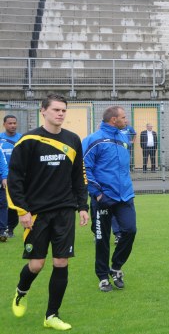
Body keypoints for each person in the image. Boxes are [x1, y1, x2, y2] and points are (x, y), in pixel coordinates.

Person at [7, 94, 89, 331]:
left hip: (64, 210)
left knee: (61, 262)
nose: (61, 114)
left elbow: (79, 177)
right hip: (36, 214)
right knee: (36, 265)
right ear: (43, 111)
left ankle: (51, 315)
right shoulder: (29, 140)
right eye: (56, 110)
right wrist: (22, 211)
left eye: (64, 110)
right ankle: (21, 292)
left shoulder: (73, 140)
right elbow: (15, 179)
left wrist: (82, 206)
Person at [82, 106, 137, 292]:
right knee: (102, 238)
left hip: (125, 196)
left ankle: (116, 267)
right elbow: (84, 169)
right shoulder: (93, 140)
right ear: (113, 120)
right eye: (123, 117)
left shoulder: (123, 137)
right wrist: (97, 193)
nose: (126, 120)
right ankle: (103, 277)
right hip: (103, 197)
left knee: (130, 231)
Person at [1, 114, 22, 238]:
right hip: (2, 175)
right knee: (2, 202)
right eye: (10, 123)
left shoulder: (21, 139)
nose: (13, 125)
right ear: (4, 124)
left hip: (17, 175)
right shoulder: (0, 139)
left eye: (14, 123)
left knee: (13, 202)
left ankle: (10, 228)